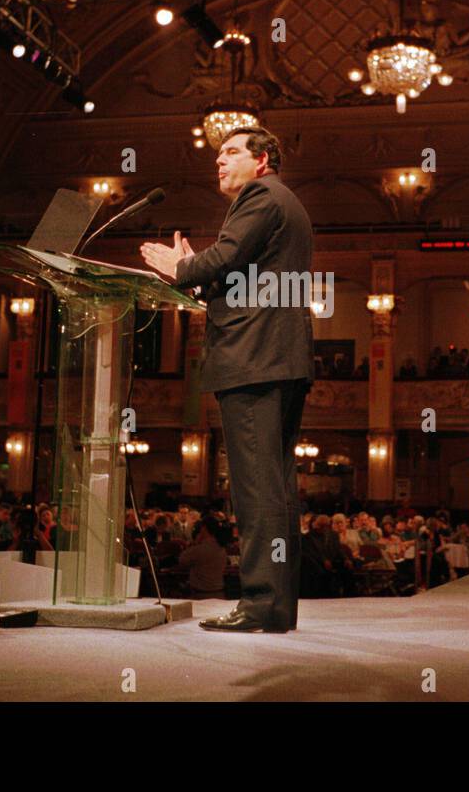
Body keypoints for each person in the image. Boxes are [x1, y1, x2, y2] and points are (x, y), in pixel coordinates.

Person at [140, 126, 312, 634]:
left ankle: (259, 605)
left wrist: (184, 266)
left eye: (232, 152)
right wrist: (198, 271)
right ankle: (276, 608)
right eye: (218, 154)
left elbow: (227, 257)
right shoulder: (285, 203)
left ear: (262, 161)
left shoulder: (262, 195)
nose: (220, 161)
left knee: (256, 491)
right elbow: (242, 274)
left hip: (255, 358)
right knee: (275, 489)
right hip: (278, 358)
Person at [177, 515, 229, 598]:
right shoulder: (221, 548)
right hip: (219, 593)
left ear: (204, 528)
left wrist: (195, 543)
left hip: (202, 595)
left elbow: (182, 560)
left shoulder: (200, 549)